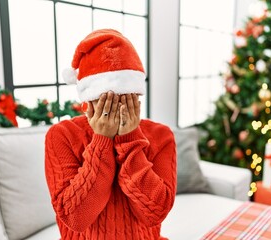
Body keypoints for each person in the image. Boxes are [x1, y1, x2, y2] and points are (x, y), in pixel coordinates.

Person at [44, 29, 177, 240]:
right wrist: (101, 140)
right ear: (88, 99)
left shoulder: (161, 135)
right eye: (106, 100)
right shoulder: (61, 135)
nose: (114, 109)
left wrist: (130, 138)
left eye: (125, 99)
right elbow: (76, 218)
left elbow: (155, 212)